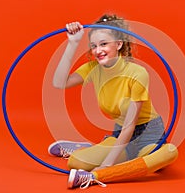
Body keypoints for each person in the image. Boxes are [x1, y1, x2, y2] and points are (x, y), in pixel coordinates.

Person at [48, 14, 178, 189]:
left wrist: (105, 166)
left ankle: (96, 176)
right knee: (75, 162)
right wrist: (72, 43)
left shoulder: (137, 73)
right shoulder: (93, 69)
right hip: (121, 134)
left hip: (148, 133)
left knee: (168, 154)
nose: (97, 50)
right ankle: (91, 150)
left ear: (118, 44)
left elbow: (130, 126)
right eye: (93, 46)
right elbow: (58, 83)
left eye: (103, 44)